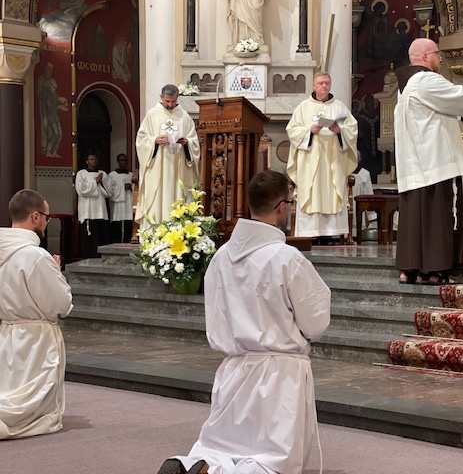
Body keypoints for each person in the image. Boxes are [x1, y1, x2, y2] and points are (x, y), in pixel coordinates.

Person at [157, 170, 331, 474]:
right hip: (280, 372)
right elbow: (316, 320)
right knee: (272, 460)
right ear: (282, 207)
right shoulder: (287, 259)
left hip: (234, 368)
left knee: (223, 445)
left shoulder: (221, 258)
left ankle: (191, 466)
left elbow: (215, 318)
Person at [0, 189, 73, 443]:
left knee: (6, 393)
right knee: (21, 409)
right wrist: (55, 272)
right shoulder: (35, 256)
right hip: (36, 342)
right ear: (35, 217)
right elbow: (61, 303)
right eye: (47, 217)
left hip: (8, 336)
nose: (48, 223)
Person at [394, 38, 463, 284]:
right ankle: (435, 271)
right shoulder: (426, 80)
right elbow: (459, 97)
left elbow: (444, 109)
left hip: (417, 164)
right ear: (425, 56)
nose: (440, 59)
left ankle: (411, 268)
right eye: (437, 54)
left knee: (416, 219)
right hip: (435, 161)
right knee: (437, 217)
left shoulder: (406, 86)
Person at [286, 72, 358, 240]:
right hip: (310, 161)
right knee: (312, 192)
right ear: (314, 85)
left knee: (333, 190)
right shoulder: (303, 107)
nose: (324, 86)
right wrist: (309, 131)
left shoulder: (340, 107)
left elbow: (352, 130)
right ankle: (309, 233)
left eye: (327, 83)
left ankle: (333, 233)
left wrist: (339, 131)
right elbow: (292, 131)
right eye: (320, 83)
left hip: (333, 161)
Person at [135, 84, 200, 228]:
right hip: (157, 167)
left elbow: (194, 142)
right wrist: (155, 141)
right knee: (157, 200)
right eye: (167, 101)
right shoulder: (152, 114)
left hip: (178, 171)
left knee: (177, 197)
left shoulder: (184, 116)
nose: (170, 105)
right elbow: (141, 140)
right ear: (161, 97)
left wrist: (186, 142)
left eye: (173, 102)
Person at [75, 152, 111, 258]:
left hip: (100, 209)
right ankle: (87, 256)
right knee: (88, 237)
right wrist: (95, 182)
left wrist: (101, 182)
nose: (93, 161)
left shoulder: (103, 174)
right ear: (87, 161)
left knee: (100, 236)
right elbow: (81, 190)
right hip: (87, 210)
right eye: (91, 159)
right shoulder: (81, 173)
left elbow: (110, 192)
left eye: (94, 159)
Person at [108, 153, 134, 243]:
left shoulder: (131, 175)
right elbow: (109, 191)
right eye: (122, 160)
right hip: (118, 206)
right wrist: (122, 188)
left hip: (128, 204)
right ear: (118, 161)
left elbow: (137, 190)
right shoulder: (112, 175)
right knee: (117, 228)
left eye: (125, 160)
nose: (124, 162)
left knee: (128, 226)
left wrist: (131, 188)